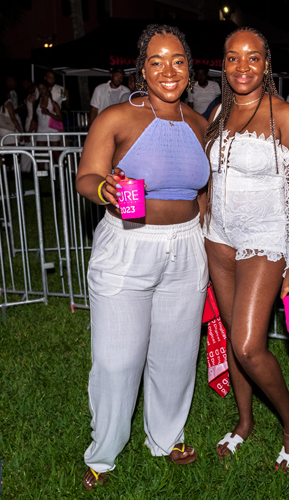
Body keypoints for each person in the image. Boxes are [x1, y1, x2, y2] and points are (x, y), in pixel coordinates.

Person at [75, 24, 210, 490]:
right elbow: (86, 177)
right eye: (156, 61)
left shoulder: (200, 125)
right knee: (118, 358)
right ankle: (104, 453)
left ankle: (166, 436)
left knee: (176, 354)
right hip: (128, 243)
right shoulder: (117, 117)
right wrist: (105, 190)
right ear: (142, 69)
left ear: (189, 69)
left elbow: (204, 194)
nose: (168, 70)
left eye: (177, 60)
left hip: (187, 245)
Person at [205, 27, 289, 472]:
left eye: (252, 57)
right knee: (234, 336)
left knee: (248, 345)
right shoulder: (219, 110)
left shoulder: (286, 116)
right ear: (223, 64)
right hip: (219, 238)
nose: (242, 66)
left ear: (267, 64)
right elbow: (211, 177)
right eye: (233, 57)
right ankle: (245, 422)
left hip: (264, 239)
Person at [30, 81, 63, 169]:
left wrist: (49, 113)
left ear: (47, 89)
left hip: (53, 130)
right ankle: (42, 173)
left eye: (43, 88)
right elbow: (34, 119)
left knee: (56, 153)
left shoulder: (53, 103)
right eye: (39, 89)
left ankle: (59, 172)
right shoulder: (36, 103)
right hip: (41, 131)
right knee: (41, 154)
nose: (41, 91)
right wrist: (29, 132)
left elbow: (60, 118)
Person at [0, 76, 24, 143]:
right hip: (7, 129)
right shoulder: (8, 103)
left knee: (4, 147)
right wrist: (20, 131)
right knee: (15, 147)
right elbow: (13, 118)